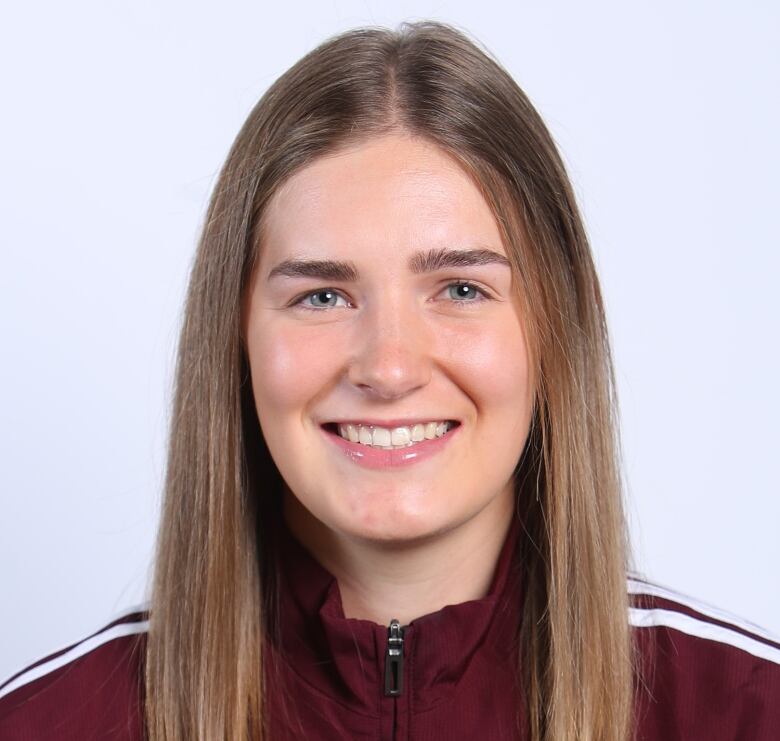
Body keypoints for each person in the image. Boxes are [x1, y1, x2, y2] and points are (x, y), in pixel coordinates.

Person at [1, 19, 778, 741]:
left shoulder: (746, 708)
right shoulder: (48, 722)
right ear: (234, 337)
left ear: (556, 327)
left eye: (461, 289)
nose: (390, 367)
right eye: (323, 296)